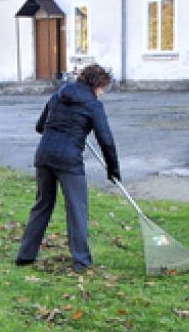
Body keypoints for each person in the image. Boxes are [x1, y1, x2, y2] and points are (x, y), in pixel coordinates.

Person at [14, 64, 121, 272]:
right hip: (68, 160)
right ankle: (81, 261)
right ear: (97, 85)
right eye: (102, 89)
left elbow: (39, 126)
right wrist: (113, 168)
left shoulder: (58, 95)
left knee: (42, 205)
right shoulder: (93, 105)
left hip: (44, 155)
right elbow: (105, 139)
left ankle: (25, 255)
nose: (102, 94)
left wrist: (63, 125)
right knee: (77, 209)